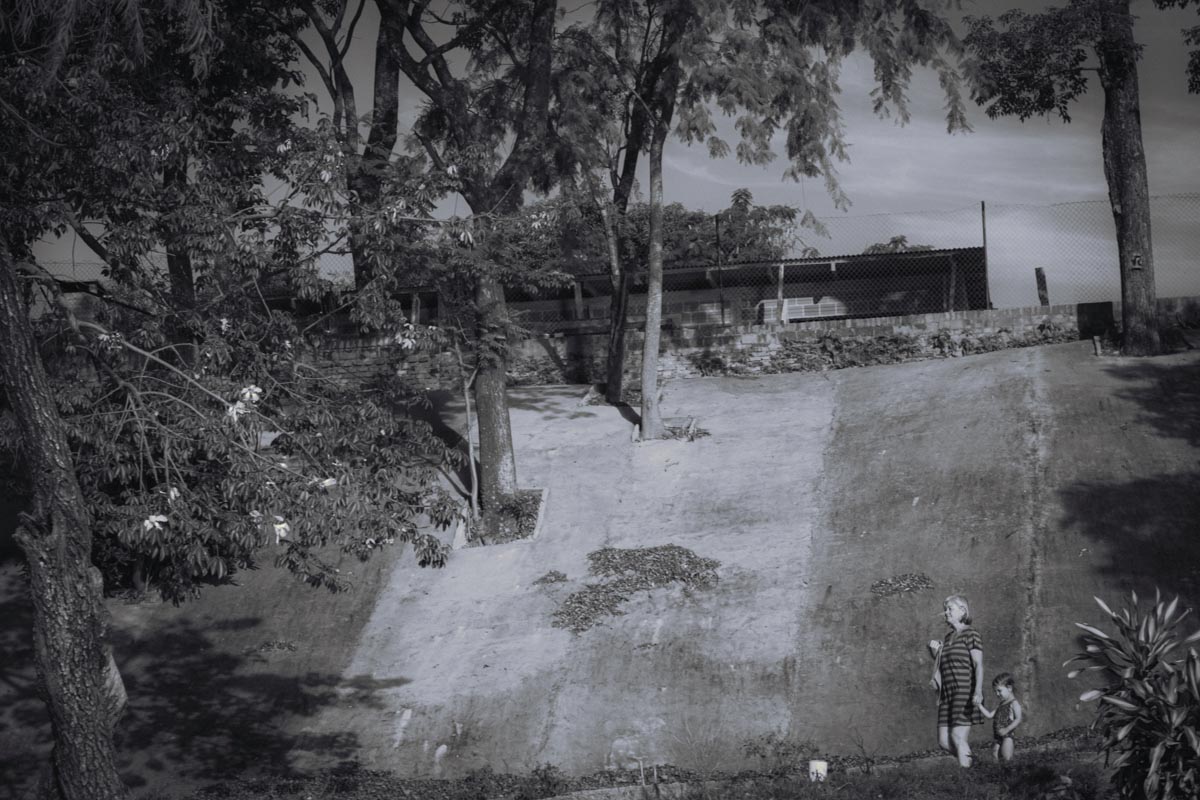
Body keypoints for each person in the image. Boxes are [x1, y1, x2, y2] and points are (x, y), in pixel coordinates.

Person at [927, 594, 984, 767]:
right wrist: (935, 653)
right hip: (947, 694)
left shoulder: (971, 634)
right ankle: (974, 766)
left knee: (958, 737)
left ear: (963, 611)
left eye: (950, 609)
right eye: (945, 609)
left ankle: (969, 780)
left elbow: (978, 664)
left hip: (964, 691)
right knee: (944, 742)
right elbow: (943, 666)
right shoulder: (947, 638)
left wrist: (978, 691)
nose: (946, 612)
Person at [977, 673, 1023, 762]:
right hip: (998, 737)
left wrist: (1007, 729)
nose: (997, 694)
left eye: (999, 691)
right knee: (995, 756)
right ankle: (998, 774)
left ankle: (1011, 773)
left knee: (1007, 758)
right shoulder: (1001, 705)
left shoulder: (1014, 703)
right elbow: (990, 715)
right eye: (995, 692)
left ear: (1009, 688)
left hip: (1007, 736)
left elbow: (1018, 719)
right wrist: (979, 706)